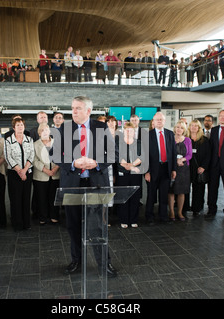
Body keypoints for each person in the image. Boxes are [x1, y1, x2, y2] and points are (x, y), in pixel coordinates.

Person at [50, 96, 117, 277]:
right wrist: (72, 164)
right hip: (72, 184)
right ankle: (76, 261)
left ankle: (104, 264)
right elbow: (54, 154)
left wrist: (96, 163)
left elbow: (113, 154)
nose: (74, 111)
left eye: (78, 108)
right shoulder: (64, 128)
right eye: (72, 108)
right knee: (73, 226)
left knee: (97, 227)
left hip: (95, 184)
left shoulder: (101, 127)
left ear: (88, 111)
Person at [144, 112, 177, 225]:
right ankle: (149, 216)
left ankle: (163, 216)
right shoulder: (148, 135)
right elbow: (145, 155)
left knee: (164, 195)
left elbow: (173, 152)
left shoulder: (170, 134)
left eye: (161, 119)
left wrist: (173, 169)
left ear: (164, 121)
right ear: (153, 122)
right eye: (157, 119)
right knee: (151, 195)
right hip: (152, 170)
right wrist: (146, 171)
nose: (159, 121)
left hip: (166, 169)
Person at [4, 117, 34, 231]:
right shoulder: (8, 140)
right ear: (13, 127)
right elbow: (8, 157)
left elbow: (32, 155)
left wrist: (25, 170)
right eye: (17, 125)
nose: (20, 127)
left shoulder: (29, 140)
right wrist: (19, 171)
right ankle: (17, 223)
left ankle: (26, 223)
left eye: (22, 125)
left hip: (28, 172)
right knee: (15, 199)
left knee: (26, 198)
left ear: (24, 126)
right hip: (14, 174)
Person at [115, 122, 145, 228]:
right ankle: (123, 220)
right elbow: (118, 156)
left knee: (134, 196)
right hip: (122, 172)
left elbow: (141, 157)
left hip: (135, 172)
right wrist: (127, 166)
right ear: (124, 131)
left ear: (134, 132)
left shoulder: (139, 143)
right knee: (124, 196)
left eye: (131, 130)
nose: (129, 132)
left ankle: (133, 219)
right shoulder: (119, 142)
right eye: (127, 130)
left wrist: (132, 165)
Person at [33, 123, 60, 225]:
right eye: (42, 131)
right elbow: (34, 160)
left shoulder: (57, 143)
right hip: (40, 175)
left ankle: (54, 216)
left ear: (50, 131)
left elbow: (61, 156)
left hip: (55, 174)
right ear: (39, 133)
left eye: (46, 130)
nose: (44, 132)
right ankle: (43, 217)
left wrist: (55, 169)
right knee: (41, 197)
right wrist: (45, 170)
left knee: (54, 197)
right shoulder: (35, 144)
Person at [168, 121, 192, 221]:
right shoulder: (170, 139)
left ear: (184, 130)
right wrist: (175, 161)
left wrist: (182, 160)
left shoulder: (188, 140)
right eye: (177, 127)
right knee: (171, 191)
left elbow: (190, 154)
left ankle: (180, 212)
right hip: (172, 168)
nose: (179, 129)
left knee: (182, 191)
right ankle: (172, 212)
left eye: (181, 128)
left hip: (183, 168)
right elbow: (168, 153)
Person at [188, 120, 211, 217]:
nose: (193, 127)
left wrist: (203, 167)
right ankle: (185, 207)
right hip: (188, 167)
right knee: (186, 188)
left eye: (196, 126)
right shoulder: (186, 139)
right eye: (192, 126)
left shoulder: (204, 140)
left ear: (199, 128)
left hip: (199, 167)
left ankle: (197, 208)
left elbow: (208, 155)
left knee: (198, 188)